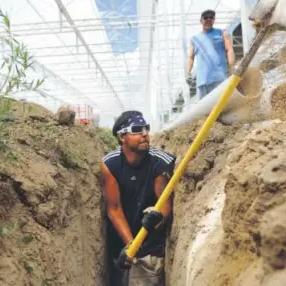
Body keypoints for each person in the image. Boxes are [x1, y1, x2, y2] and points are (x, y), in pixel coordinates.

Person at [101, 110, 176, 286]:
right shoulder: (110, 164)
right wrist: (130, 245)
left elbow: (165, 204)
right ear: (122, 137)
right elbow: (114, 209)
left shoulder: (160, 162)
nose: (145, 134)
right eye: (136, 129)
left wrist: (157, 217)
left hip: (150, 246)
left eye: (146, 128)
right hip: (121, 244)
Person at [186, 9, 236, 100]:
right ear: (201, 21)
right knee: (205, 110)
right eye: (205, 18)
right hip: (203, 80)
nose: (208, 20)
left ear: (214, 20)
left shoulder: (221, 33)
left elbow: (229, 50)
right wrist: (187, 73)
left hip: (220, 78)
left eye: (211, 17)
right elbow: (190, 58)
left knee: (222, 105)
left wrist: (232, 67)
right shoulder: (194, 39)